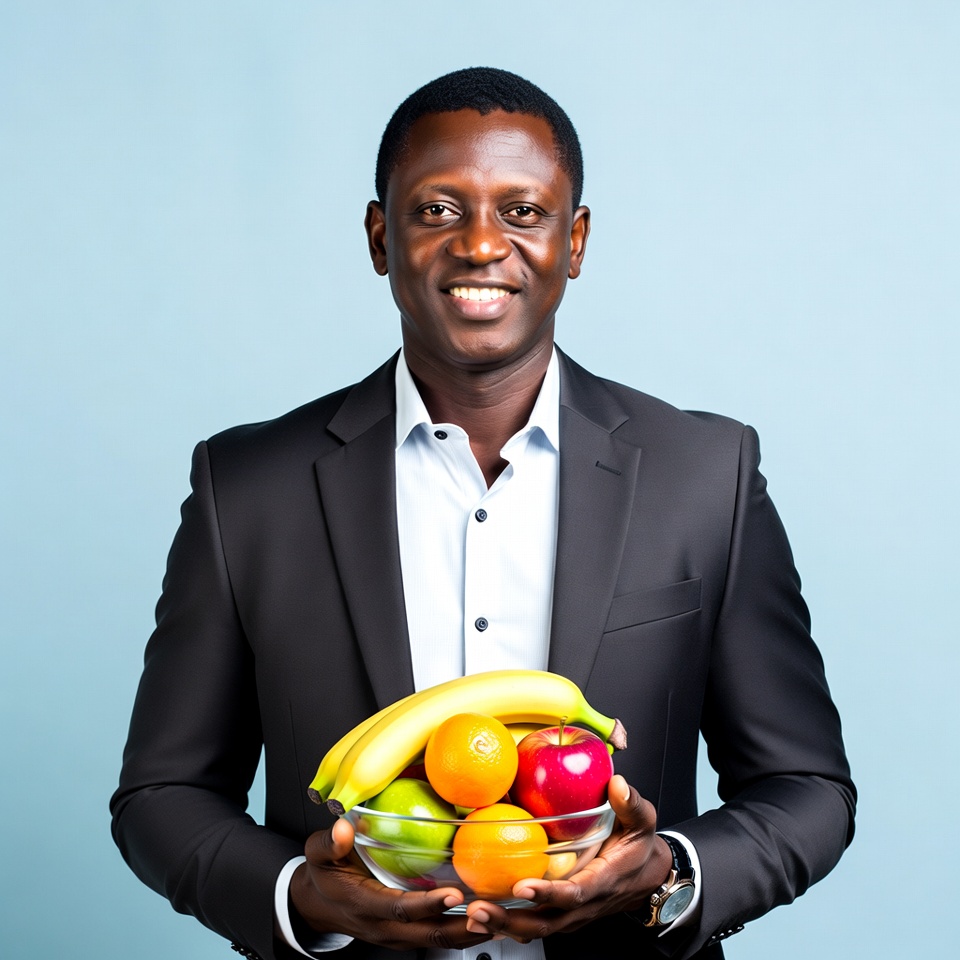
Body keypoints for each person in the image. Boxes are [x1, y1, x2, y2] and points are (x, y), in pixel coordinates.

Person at [111, 67, 855, 960]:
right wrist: (302, 898)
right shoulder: (248, 487)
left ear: (574, 242)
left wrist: (664, 876)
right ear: (380, 237)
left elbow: (806, 788)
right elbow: (161, 795)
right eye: (437, 210)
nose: (480, 245)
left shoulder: (704, 475)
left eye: (523, 212)